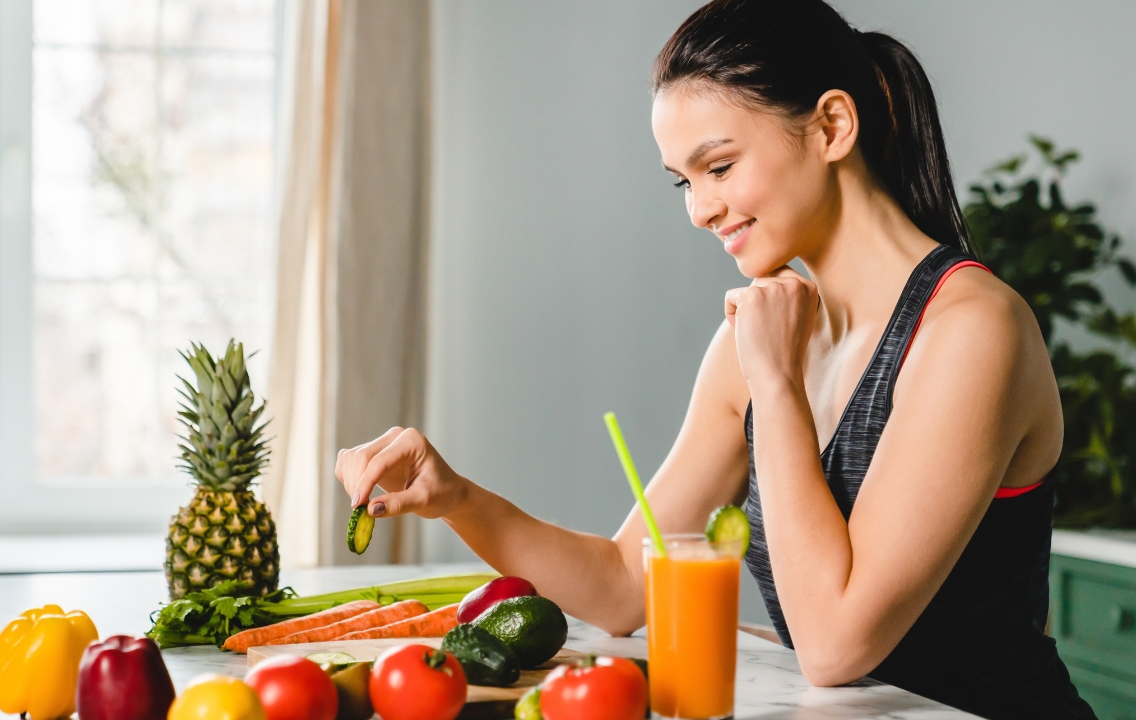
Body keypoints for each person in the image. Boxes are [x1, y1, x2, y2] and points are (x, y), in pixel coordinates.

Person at [334, 1, 1096, 717]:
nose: (699, 209)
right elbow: (627, 583)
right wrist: (458, 497)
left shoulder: (970, 329)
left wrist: (775, 381)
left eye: (720, 167)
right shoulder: (757, 338)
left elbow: (835, 645)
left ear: (831, 125)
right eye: (683, 182)